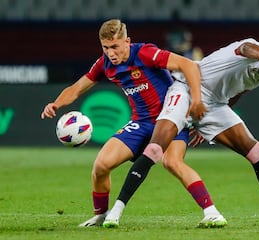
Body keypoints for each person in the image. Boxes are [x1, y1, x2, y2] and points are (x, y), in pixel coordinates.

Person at [106, 38, 259, 229]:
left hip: (215, 105)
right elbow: (246, 48)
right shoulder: (254, 47)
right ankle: (115, 211)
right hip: (188, 89)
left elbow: (240, 89)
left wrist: (207, 124)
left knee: (258, 152)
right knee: (155, 150)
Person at [40, 19, 226, 228]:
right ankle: (101, 215)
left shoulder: (145, 53)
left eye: (115, 47)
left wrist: (196, 100)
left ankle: (212, 212)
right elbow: (77, 87)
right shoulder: (104, 64)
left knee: (172, 162)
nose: (110, 53)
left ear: (127, 41)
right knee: (101, 166)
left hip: (170, 120)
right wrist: (56, 104)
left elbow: (188, 64)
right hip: (141, 123)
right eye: (105, 48)